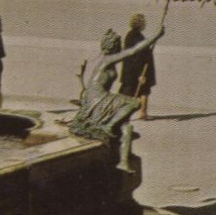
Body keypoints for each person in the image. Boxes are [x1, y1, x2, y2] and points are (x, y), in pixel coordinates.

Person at [70, 25, 164, 171]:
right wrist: (156, 36)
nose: (120, 46)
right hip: (97, 97)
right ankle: (107, 126)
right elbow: (133, 51)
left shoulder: (107, 59)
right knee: (134, 103)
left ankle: (124, 162)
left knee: (126, 126)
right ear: (114, 46)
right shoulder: (109, 59)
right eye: (118, 44)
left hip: (99, 96)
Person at [118, 12, 158, 119]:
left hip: (128, 69)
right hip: (138, 69)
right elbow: (139, 56)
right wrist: (141, 74)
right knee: (143, 91)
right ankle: (143, 113)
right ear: (141, 24)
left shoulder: (129, 35)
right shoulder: (138, 38)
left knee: (126, 91)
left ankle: (121, 112)